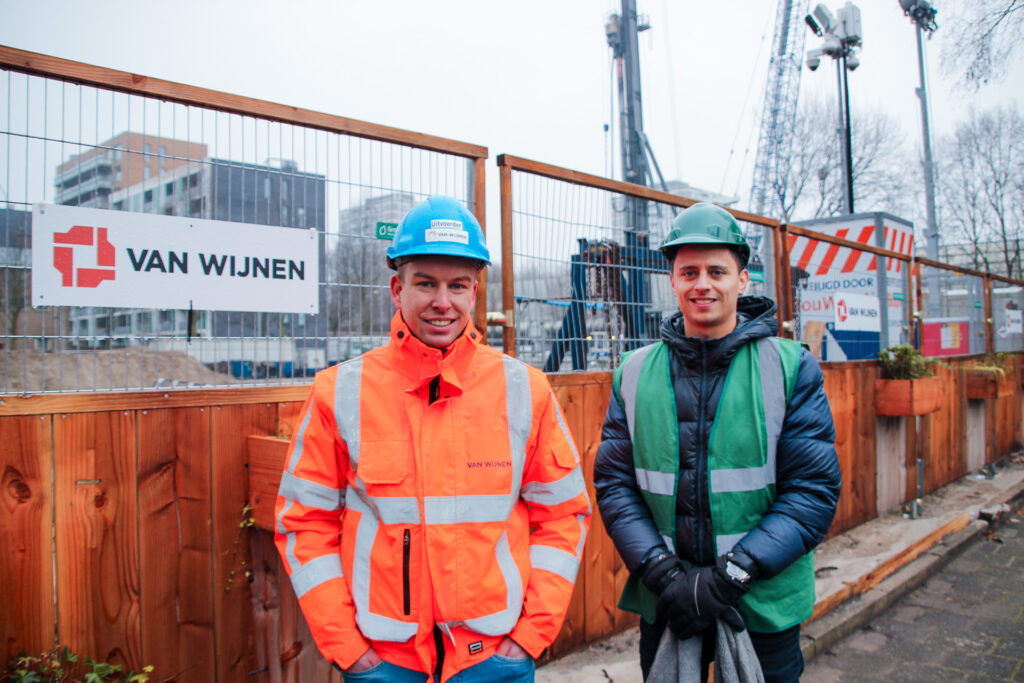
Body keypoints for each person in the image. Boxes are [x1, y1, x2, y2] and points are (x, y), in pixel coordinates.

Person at [274, 195, 591, 683]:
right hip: (383, 665)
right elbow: (304, 524)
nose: (442, 302)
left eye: (457, 285)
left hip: (495, 661)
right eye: (426, 284)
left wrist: (528, 637)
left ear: (474, 291)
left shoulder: (525, 390)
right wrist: (349, 649)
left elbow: (563, 515)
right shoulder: (339, 392)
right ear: (397, 289)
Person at [593, 202, 841, 682]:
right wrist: (666, 576)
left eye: (716, 271)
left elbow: (811, 493)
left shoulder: (791, 368)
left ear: (743, 279)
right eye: (688, 271)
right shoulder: (634, 372)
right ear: (673, 280)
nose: (701, 283)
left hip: (760, 605)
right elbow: (615, 487)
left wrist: (730, 578)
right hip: (667, 602)